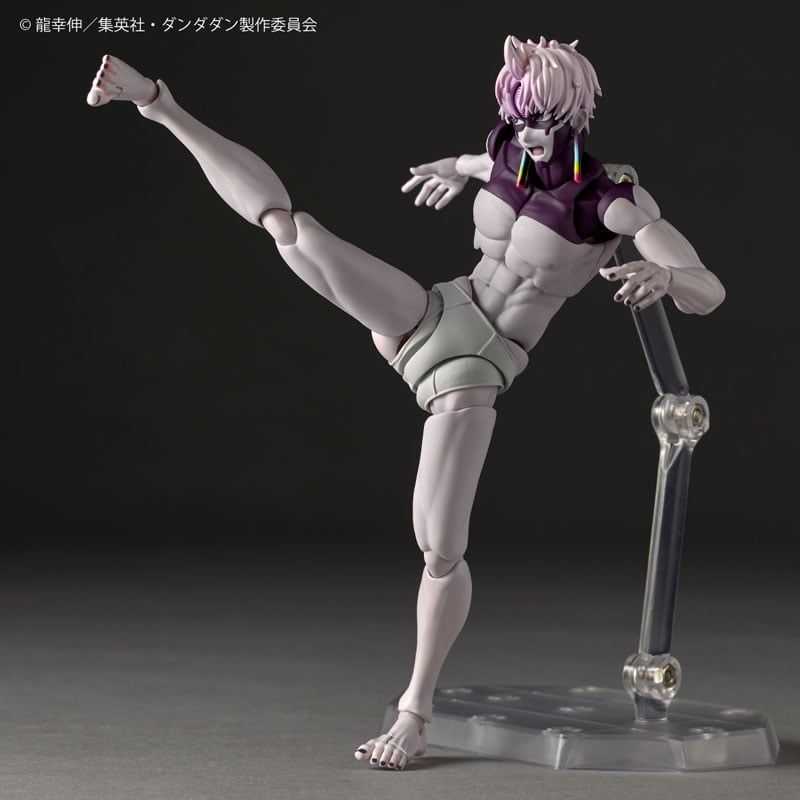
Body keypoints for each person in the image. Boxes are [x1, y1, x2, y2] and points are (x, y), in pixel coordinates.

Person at [85, 35, 725, 771]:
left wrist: (667, 277)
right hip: (432, 313)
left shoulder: (611, 203)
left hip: (477, 367)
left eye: (543, 121)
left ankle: (415, 712)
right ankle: (157, 103)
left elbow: (709, 289)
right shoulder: (506, 152)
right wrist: (452, 170)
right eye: (519, 118)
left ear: (575, 116)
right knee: (291, 229)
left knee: (440, 551)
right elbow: (473, 162)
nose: (528, 134)